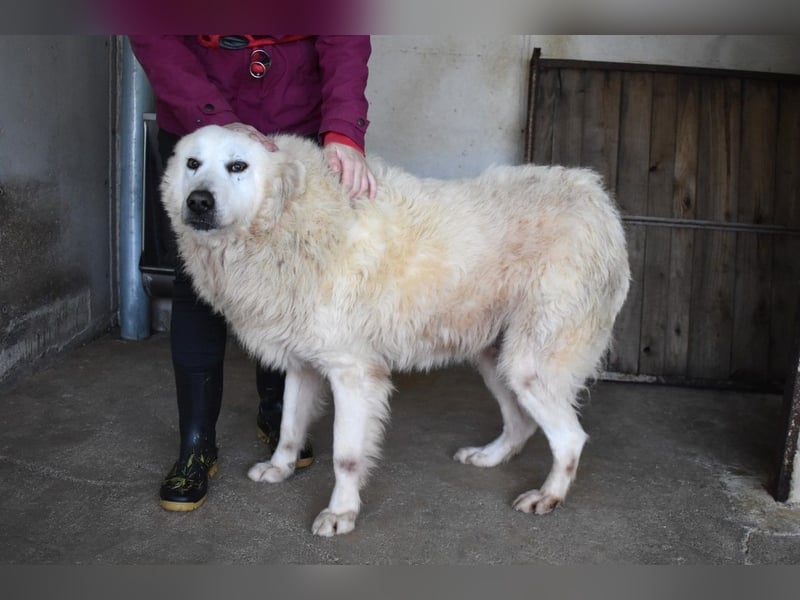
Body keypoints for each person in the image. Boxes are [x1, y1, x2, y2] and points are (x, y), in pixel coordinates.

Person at [129, 35, 376, 511]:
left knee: (289, 278)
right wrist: (213, 117)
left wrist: (344, 128)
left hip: (291, 111)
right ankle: (196, 446)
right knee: (197, 284)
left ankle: (279, 415)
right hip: (197, 108)